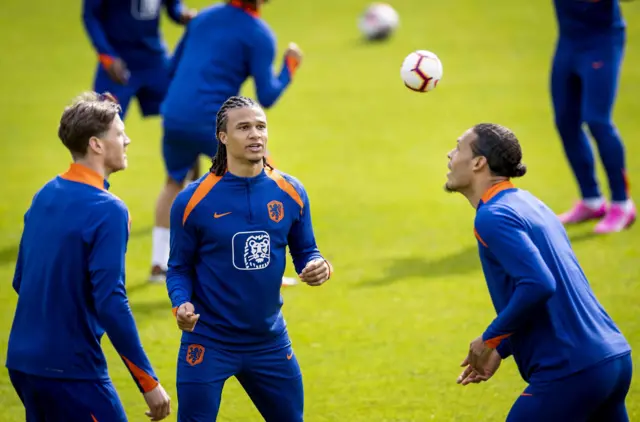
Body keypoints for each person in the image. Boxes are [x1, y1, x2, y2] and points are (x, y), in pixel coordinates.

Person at [445, 123, 632, 421]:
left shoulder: (492, 216)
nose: (449, 155)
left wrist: (489, 339)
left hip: (571, 371)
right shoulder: (531, 204)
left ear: (479, 162)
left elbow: (539, 283)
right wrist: (503, 347)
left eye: (457, 148)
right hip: (612, 359)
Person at [5, 92, 171, 422]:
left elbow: (20, 279)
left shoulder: (44, 195)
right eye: (120, 133)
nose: (128, 140)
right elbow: (111, 301)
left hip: (23, 364)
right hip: (71, 372)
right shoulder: (108, 210)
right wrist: (148, 381)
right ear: (96, 144)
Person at [166, 95, 332, 421]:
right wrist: (180, 303)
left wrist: (319, 266)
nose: (255, 134)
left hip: (269, 342)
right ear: (223, 137)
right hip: (210, 341)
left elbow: (306, 251)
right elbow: (178, 268)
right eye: (244, 128)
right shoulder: (192, 200)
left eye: (260, 126)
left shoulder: (291, 191)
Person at [149, 0, 303, 282]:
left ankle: (159, 264)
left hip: (174, 114)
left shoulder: (203, 17)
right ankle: (263, 266)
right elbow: (266, 95)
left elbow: (171, 68)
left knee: (173, 182)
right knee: (261, 181)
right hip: (214, 121)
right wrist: (289, 67)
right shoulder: (258, 33)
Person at [551, 0, 635, 233]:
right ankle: (592, 201)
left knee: (597, 120)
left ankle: (622, 204)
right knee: (566, 122)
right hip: (568, 41)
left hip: (601, 42)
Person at [82, 0, 196, 119]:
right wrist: (107, 56)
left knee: (185, 112)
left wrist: (182, 14)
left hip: (153, 59)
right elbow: (91, 15)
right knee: (102, 123)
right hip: (117, 62)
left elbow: (173, 5)